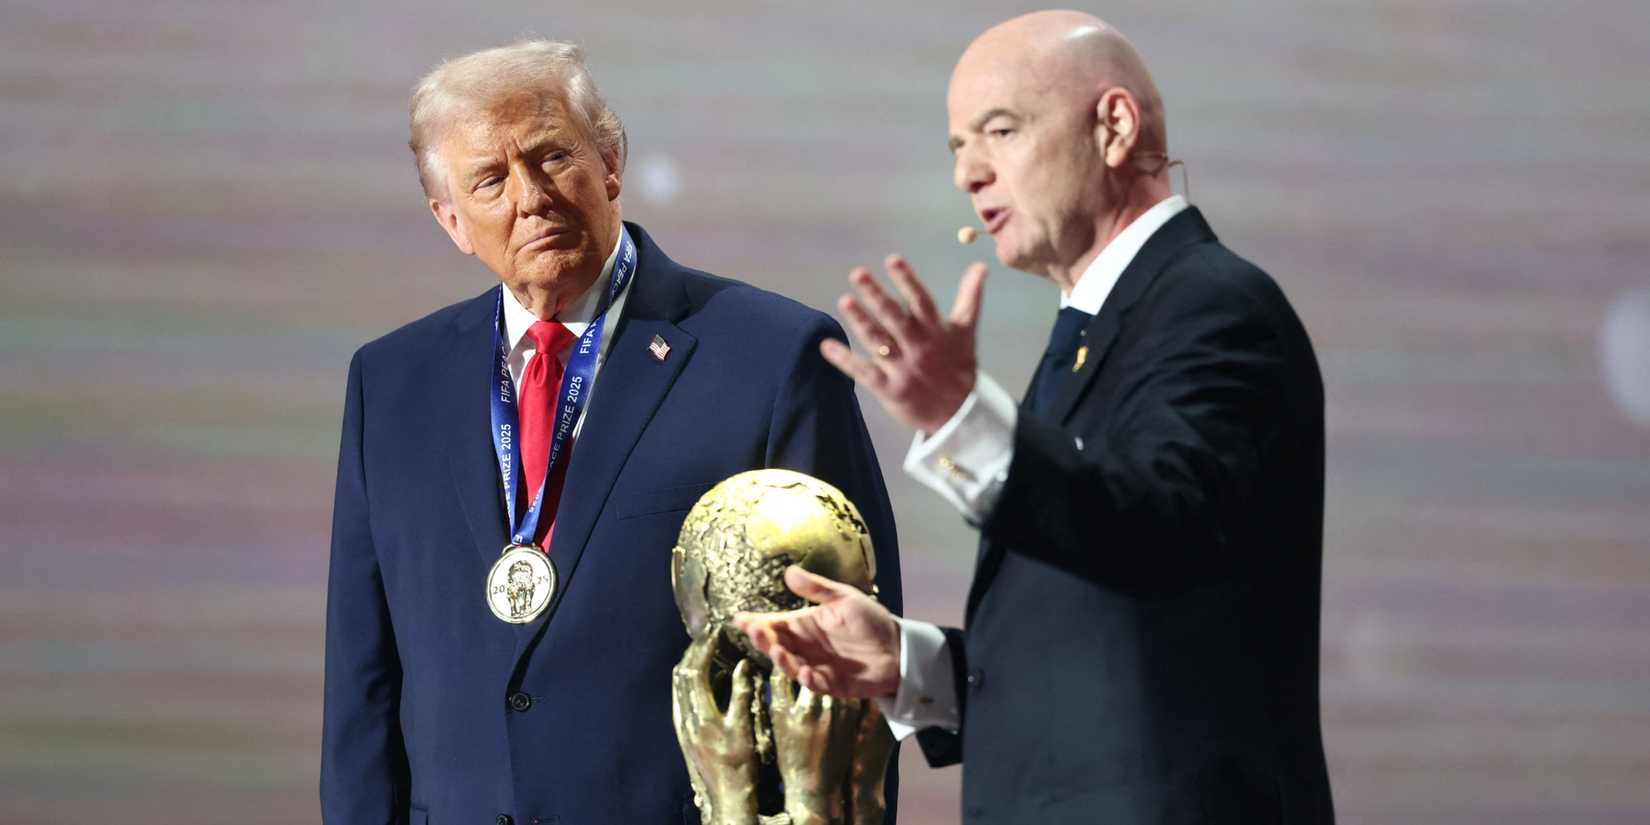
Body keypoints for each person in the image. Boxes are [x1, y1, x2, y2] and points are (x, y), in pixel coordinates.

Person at [736, 11, 1334, 824]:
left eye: (1001, 130)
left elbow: (1162, 533)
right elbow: (1105, 639)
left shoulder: (1210, 304)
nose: (968, 175)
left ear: (1114, 126)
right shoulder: (1101, 326)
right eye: (957, 148)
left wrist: (961, 420)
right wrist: (912, 665)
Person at [321, 40, 902, 825]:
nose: (530, 197)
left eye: (553, 157)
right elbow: (363, 682)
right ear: (451, 220)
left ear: (610, 162)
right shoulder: (391, 383)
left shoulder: (771, 358)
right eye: (490, 180)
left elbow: (845, 686)